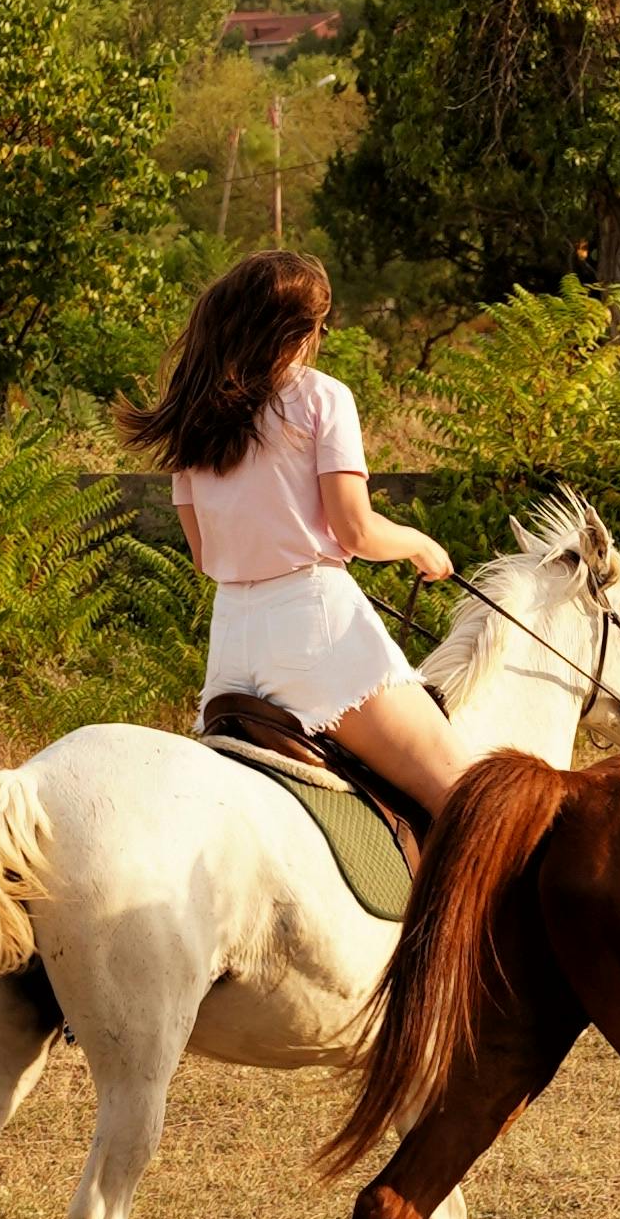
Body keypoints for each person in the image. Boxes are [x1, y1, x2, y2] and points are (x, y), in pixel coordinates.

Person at [129, 249, 466, 829]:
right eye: (321, 325)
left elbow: (206, 556)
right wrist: (417, 541)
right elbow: (354, 530)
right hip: (315, 634)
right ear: (300, 329)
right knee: (468, 799)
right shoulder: (321, 396)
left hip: (232, 648)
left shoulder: (192, 418)